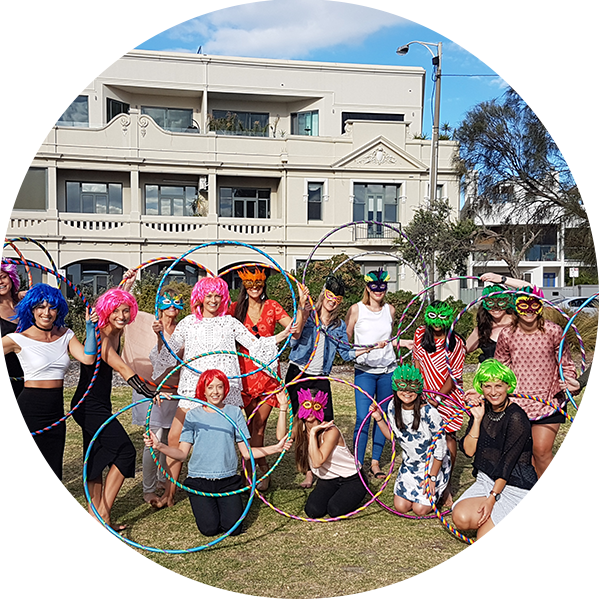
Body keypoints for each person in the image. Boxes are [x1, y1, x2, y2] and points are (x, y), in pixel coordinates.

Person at [151, 276, 291, 508]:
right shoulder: (187, 323)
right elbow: (169, 352)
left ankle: (236, 483)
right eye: (209, 296)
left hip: (223, 390)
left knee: (231, 439)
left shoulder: (230, 323)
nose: (214, 300)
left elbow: (255, 345)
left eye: (218, 296)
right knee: (175, 437)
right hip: (192, 387)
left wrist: (284, 334)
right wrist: (158, 335)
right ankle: (170, 492)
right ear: (200, 298)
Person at [0, 283, 97, 558]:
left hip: (55, 414)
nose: (46, 312)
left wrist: (90, 329)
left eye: (52, 306)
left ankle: (33, 536)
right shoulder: (19, 338)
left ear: (59, 310)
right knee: (28, 480)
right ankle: (23, 541)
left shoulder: (66, 335)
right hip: (27, 412)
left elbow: (88, 358)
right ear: (31, 309)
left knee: (48, 479)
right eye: (40, 306)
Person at [144, 369, 291, 536]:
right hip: (199, 481)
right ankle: (206, 502)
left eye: (220, 387)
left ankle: (222, 504)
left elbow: (246, 453)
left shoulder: (234, 413)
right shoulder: (193, 415)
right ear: (203, 390)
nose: (215, 392)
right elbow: (182, 454)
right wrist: (159, 446)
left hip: (227, 480)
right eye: (210, 387)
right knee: (209, 530)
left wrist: (276, 448)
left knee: (234, 529)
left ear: (225, 389)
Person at [71, 288, 156, 538]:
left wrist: (127, 282)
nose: (121, 315)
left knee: (95, 461)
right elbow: (121, 367)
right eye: (116, 310)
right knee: (125, 451)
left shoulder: (116, 330)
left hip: (99, 404)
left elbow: (117, 298)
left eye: (125, 310)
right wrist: (150, 392)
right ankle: (104, 513)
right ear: (106, 311)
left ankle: (93, 521)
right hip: (88, 406)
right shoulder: (99, 336)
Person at [288, 274, 384, 488]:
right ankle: (308, 473)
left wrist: (370, 347)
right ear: (324, 293)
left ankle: (320, 467)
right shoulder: (308, 315)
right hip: (299, 373)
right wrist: (302, 306)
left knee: (323, 424)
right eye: (330, 296)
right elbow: (293, 340)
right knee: (302, 425)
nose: (333, 301)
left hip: (321, 377)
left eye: (338, 299)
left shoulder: (339, 326)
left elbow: (347, 353)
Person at [495, 286, 577, 515]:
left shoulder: (553, 331)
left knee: (541, 449)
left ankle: (547, 496)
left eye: (534, 305)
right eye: (523, 305)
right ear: (515, 306)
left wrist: (570, 382)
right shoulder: (507, 334)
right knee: (524, 451)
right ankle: (531, 491)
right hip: (518, 401)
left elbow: (566, 363)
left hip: (549, 400)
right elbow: (501, 366)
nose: (529, 310)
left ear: (541, 306)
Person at [452, 359, 544, 553]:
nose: (493, 392)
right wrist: (476, 419)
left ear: (508, 387)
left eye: (498, 386)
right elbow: (468, 451)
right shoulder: (481, 410)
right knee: (460, 518)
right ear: (481, 388)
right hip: (487, 481)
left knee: (487, 543)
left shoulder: (517, 417)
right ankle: (501, 517)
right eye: (487, 386)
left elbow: (507, 464)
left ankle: (529, 523)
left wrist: (491, 499)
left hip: (517, 486)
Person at [230, 267, 293, 492]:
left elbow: (294, 330)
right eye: (250, 284)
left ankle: (255, 467)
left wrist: (303, 305)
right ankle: (251, 463)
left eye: (258, 283)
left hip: (267, 376)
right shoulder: (235, 309)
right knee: (244, 426)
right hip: (243, 377)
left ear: (264, 284)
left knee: (259, 424)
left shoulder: (272, 306)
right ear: (244, 286)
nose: (255, 288)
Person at [346, 268, 412, 480]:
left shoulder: (390, 310)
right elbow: (346, 341)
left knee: (383, 417)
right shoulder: (356, 310)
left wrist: (404, 343)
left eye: (382, 287)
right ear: (367, 287)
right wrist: (365, 350)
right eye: (374, 287)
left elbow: (389, 340)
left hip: (387, 371)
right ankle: (357, 463)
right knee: (362, 417)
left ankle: (375, 462)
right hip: (365, 371)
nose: (378, 291)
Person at [124, 285, 182, 504]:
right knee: (154, 439)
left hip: (174, 393)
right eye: (167, 301)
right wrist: (127, 285)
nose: (172, 306)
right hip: (151, 392)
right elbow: (123, 310)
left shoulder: (184, 329)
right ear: (159, 305)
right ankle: (148, 488)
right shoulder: (145, 324)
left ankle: (161, 479)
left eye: (177, 301)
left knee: (169, 438)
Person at [371, 364, 451, 515]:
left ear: (419, 389)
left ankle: (442, 488)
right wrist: (379, 419)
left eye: (412, 387)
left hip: (432, 465)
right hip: (410, 465)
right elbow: (393, 437)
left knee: (420, 510)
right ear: (395, 388)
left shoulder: (430, 413)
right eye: (402, 386)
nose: (407, 392)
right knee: (401, 507)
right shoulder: (392, 408)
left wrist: (432, 477)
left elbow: (440, 449)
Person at [280, 386, 366, 519]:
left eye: (315, 406)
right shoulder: (300, 429)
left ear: (321, 408)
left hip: (352, 478)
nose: (310, 411)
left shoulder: (331, 431)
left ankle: (354, 493)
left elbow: (317, 462)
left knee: (334, 509)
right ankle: (337, 493)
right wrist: (283, 408)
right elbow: (281, 438)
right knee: (313, 510)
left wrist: (313, 433)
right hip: (328, 479)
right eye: (307, 405)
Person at [412, 300, 466, 472]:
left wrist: (437, 398)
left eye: (442, 316)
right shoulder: (420, 334)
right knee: (426, 436)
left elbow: (454, 376)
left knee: (448, 435)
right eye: (433, 316)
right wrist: (418, 392)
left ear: (449, 318)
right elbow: (417, 364)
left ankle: (447, 481)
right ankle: (428, 475)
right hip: (424, 394)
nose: (437, 321)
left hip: (448, 396)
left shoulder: (456, 342)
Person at [0, 263, 24, 513]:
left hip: (23, 377)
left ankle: (17, 483)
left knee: (16, 429)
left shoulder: (21, 306)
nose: (1, 281)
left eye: (4, 276)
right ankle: (1, 494)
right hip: (0, 379)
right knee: (1, 431)